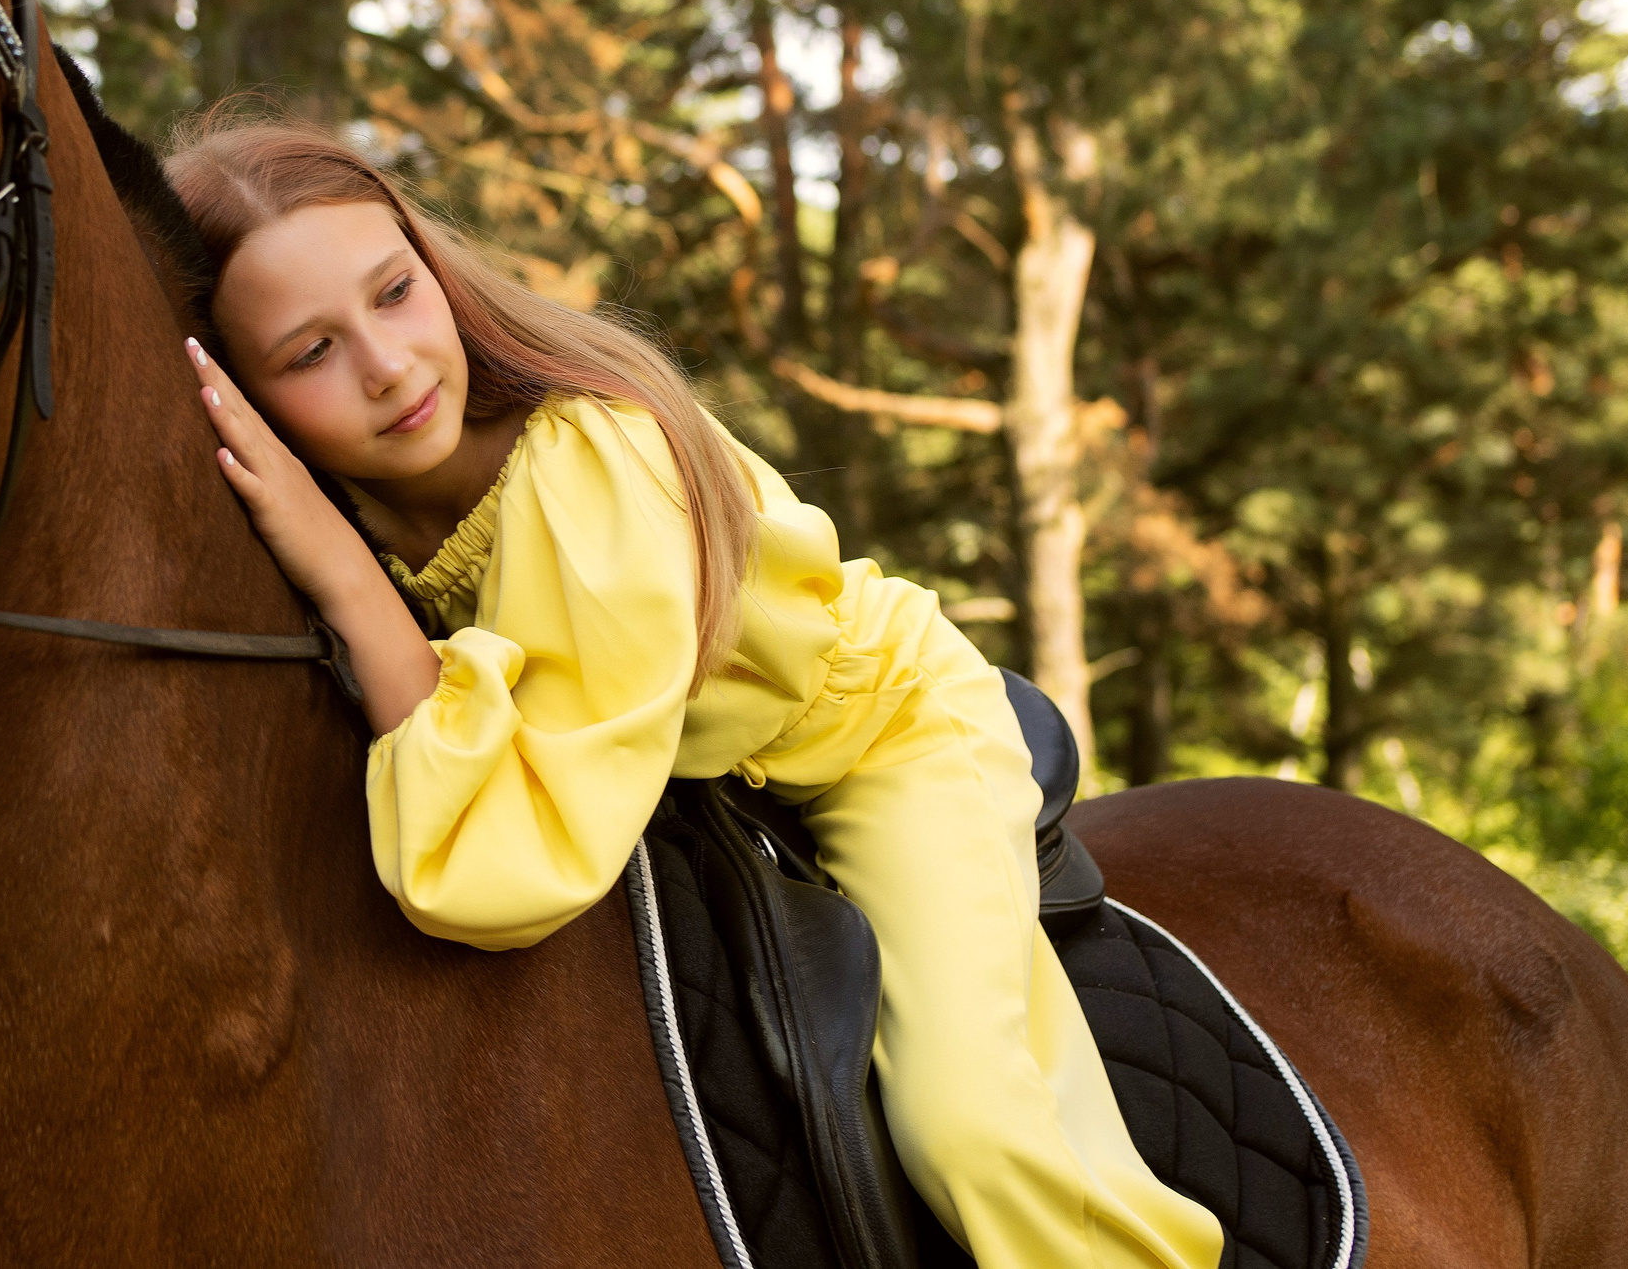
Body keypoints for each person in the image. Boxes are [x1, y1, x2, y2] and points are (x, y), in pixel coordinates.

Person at [165, 117, 1222, 1269]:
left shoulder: (588, 464)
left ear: (436, 267)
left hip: (880, 737)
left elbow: (513, 855)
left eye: (394, 294)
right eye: (310, 353)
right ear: (241, 398)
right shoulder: (352, 503)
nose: (389, 365)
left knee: (967, 1122)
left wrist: (337, 571)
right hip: (691, 787)